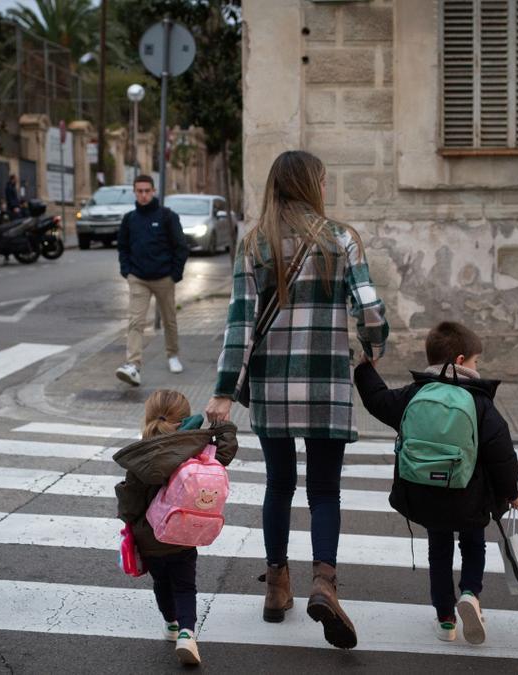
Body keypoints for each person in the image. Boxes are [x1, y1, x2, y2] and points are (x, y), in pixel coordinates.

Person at [204, 150, 389, 650]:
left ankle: (276, 586)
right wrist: (373, 350)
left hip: (272, 387)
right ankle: (324, 583)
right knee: (325, 491)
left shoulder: (254, 244)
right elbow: (370, 310)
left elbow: (240, 327)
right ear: (312, 186)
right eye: (323, 182)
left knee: (278, 484)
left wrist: (224, 392)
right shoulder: (342, 239)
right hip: (326, 383)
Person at [353, 321, 518, 645]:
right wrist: (512, 492)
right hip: (469, 496)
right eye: (475, 361)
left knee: (439, 551)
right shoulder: (479, 402)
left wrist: (365, 369)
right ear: (460, 361)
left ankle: (445, 619)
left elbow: (377, 400)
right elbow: (501, 451)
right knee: (473, 545)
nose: (477, 368)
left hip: (426, 494)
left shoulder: (415, 394)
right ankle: (471, 594)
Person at [112, 389, 239, 666]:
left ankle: (170, 623)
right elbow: (225, 453)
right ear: (184, 418)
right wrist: (223, 425)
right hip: (185, 531)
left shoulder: (141, 456)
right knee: (184, 586)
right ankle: (186, 633)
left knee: (162, 582)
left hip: (151, 536)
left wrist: (128, 516)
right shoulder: (193, 445)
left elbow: (130, 505)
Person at [116, 175, 189, 386]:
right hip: (138, 278)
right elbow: (122, 247)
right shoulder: (129, 219)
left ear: (154, 191)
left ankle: (172, 355)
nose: (143, 195)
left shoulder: (167, 216)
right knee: (135, 321)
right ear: (134, 192)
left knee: (169, 319)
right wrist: (126, 271)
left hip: (164, 277)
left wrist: (175, 274)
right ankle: (133, 365)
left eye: (147, 190)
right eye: (139, 191)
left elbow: (181, 247)